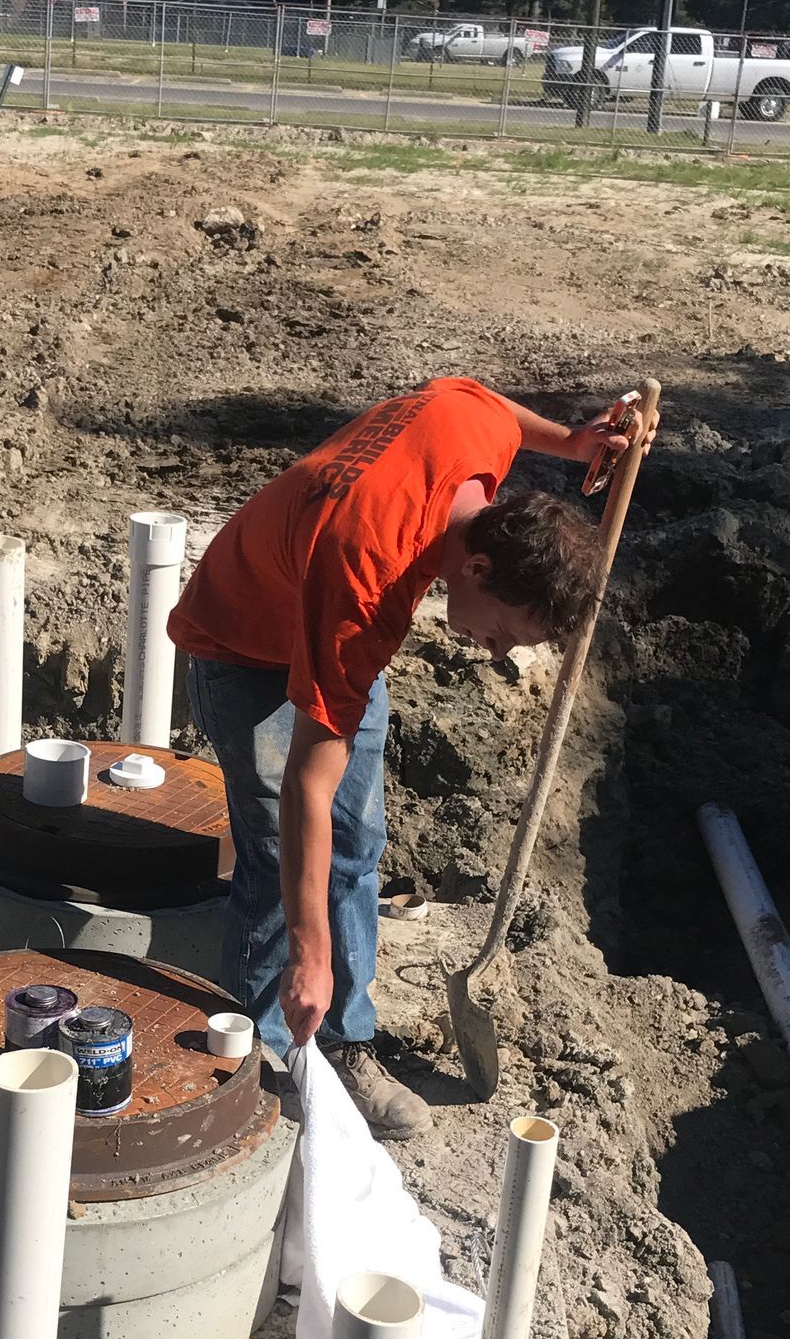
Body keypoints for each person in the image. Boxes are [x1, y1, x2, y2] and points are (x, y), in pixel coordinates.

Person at [170, 376, 649, 1142]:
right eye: (505, 634)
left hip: (323, 615)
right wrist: (308, 952)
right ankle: (263, 1058)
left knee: (357, 842)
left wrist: (574, 443)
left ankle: (345, 1043)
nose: (495, 652)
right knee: (273, 852)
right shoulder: (366, 583)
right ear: (480, 571)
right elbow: (304, 788)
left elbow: (490, 406)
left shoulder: (471, 432)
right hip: (244, 638)